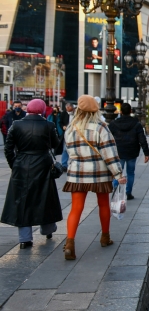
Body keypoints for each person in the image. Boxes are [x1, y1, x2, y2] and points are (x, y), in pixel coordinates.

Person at [62, 95, 126, 260]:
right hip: (99, 173)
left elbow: (69, 152)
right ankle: (105, 237)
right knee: (103, 204)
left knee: (76, 208)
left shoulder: (71, 128)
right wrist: (118, 174)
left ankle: (70, 243)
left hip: (77, 173)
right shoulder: (101, 127)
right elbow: (109, 153)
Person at [1, 99, 62, 249]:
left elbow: (8, 149)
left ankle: (25, 239)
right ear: (42, 110)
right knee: (45, 197)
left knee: (22, 201)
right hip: (43, 164)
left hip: (22, 164)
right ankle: (47, 229)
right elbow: (55, 145)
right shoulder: (48, 125)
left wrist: (14, 164)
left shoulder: (17, 125)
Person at [108, 103, 149, 200]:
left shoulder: (114, 124)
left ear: (121, 112)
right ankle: (128, 193)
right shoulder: (136, 124)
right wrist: (146, 153)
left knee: (117, 172)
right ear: (130, 111)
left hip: (118, 152)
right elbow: (142, 139)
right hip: (132, 151)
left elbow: (108, 138)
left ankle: (115, 191)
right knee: (130, 173)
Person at [59, 102, 74, 170]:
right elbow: (60, 122)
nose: (67, 109)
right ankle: (64, 164)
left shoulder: (76, 114)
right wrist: (63, 127)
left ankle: (71, 163)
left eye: (69, 107)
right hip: (66, 133)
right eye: (66, 108)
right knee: (65, 149)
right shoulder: (64, 113)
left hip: (74, 132)